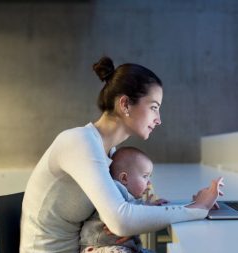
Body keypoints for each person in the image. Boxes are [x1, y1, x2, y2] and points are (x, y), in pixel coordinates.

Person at [20, 56, 224, 253]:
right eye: (154, 108)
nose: (159, 119)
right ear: (125, 104)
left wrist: (194, 205)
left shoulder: (109, 152)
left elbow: (121, 216)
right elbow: (121, 221)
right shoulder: (79, 142)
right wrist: (195, 210)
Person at [80, 146, 168, 253]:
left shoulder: (127, 195)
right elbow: (128, 214)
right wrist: (148, 208)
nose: (149, 183)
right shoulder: (115, 189)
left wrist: (147, 206)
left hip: (119, 247)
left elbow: (134, 210)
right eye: (145, 176)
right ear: (124, 178)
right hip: (100, 247)